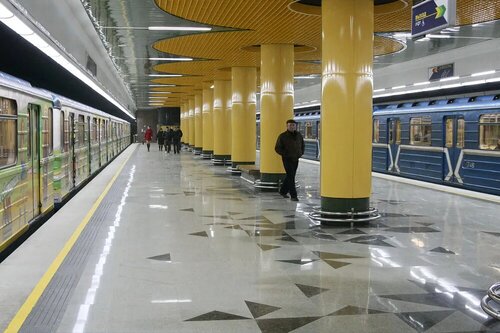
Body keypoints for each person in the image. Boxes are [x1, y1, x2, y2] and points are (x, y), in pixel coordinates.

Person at [275, 119, 304, 201]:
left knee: (290, 176)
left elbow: (302, 145)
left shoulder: (299, 135)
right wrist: (286, 154)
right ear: (287, 126)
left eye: (293, 125)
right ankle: (294, 195)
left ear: (296, 126)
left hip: (296, 158)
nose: (292, 126)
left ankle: (283, 191)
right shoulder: (282, 136)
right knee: (291, 176)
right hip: (287, 159)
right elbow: (277, 148)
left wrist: (301, 153)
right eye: (290, 125)